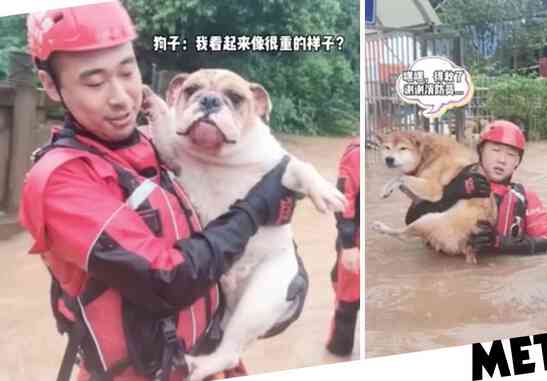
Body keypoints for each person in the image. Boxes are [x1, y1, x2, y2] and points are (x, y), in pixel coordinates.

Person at [19, 2, 307, 380]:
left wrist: (285, 274)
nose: (121, 97)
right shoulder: (62, 182)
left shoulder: (154, 144)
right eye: (94, 82)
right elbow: (167, 279)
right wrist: (255, 211)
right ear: (51, 86)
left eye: (127, 72)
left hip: (206, 362)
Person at [406, 120, 547, 255]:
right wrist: (451, 193)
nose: (502, 160)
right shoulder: (449, 176)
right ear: (480, 151)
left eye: (511, 154)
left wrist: (500, 243)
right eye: (495, 150)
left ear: (517, 162)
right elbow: (411, 220)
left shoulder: (525, 197)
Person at [326, 141, 360, 356]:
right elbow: (343, 199)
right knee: (347, 296)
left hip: (360, 239)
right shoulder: (355, 155)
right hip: (355, 241)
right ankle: (339, 350)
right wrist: (348, 244)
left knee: (347, 294)